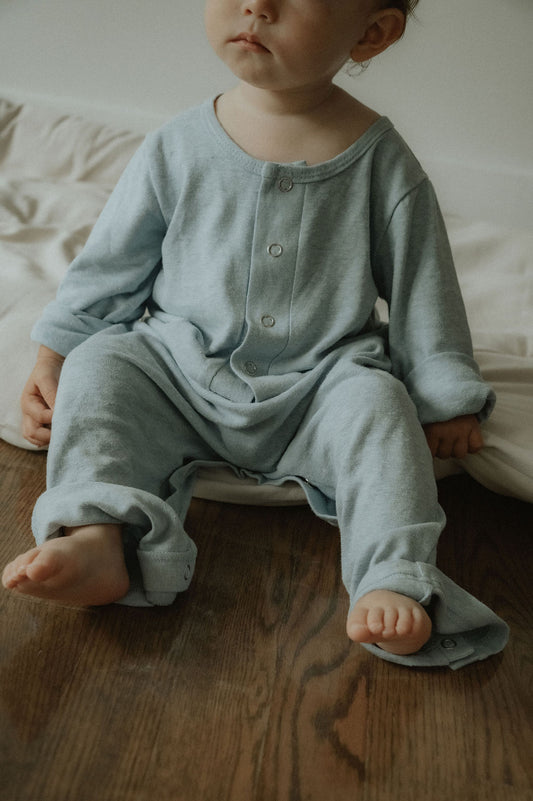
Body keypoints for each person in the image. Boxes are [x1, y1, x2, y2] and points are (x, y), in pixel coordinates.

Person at [2, 0, 509, 668]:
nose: (255, 7)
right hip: (179, 371)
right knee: (106, 362)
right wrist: (59, 349)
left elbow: (423, 286)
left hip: (320, 385)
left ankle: (393, 576)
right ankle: (96, 532)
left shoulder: (381, 162)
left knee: (380, 409)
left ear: (373, 32)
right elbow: (111, 266)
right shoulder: (177, 145)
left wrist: (446, 395)